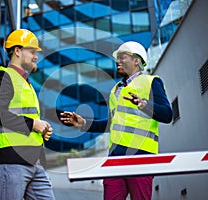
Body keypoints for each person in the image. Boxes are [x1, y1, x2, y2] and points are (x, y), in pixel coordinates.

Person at [60, 41, 172, 200]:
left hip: (141, 155)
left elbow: (167, 114)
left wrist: (145, 105)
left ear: (136, 60)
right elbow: (112, 123)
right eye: (117, 58)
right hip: (115, 157)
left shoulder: (151, 82)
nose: (117, 61)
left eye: (123, 57)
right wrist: (84, 123)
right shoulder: (116, 90)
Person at [0, 29, 55, 200]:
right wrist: (33, 124)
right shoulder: (4, 77)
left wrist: (42, 128)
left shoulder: (27, 84)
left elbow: (26, 115)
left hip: (35, 162)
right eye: (32, 51)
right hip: (11, 161)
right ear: (17, 51)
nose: (36, 56)